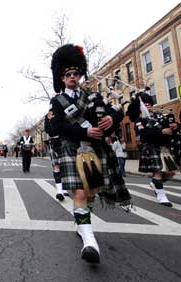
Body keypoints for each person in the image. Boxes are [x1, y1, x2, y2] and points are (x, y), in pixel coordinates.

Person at [50, 44, 131, 263]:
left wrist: (111, 121)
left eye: (76, 73)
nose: (73, 77)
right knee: (79, 194)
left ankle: (81, 223)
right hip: (72, 149)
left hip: (95, 149)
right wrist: (84, 130)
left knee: (91, 191)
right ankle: (89, 241)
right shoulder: (57, 101)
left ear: (80, 74)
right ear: (61, 77)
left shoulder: (94, 97)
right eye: (68, 74)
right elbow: (56, 127)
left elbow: (114, 117)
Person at [126, 93, 176, 207]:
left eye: (149, 104)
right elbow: (143, 135)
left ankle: (155, 183)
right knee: (158, 172)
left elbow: (168, 127)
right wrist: (161, 132)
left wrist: (174, 126)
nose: (147, 106)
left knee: (170, 172)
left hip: (163, 147)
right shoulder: (140, 120)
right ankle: (161, 196)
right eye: (144, 104)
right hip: (150, 147)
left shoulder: (160, 116)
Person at [45, 109, 69, 201]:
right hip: (53, 142)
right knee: (56, 166)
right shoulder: (48, 115)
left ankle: (65, 188)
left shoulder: (64, 112)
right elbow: (48, 129)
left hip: (65, 141)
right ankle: (59, 191)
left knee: (65, 166)